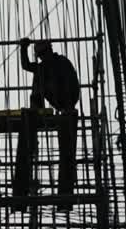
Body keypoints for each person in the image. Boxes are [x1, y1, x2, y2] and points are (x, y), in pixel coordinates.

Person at [14, 38, 80, 207]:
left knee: (40, 78)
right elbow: (27, 66)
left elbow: (71, 84)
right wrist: (23, 48)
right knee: (38, 76)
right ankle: (37, 108)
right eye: (40, 55)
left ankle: (38, 108)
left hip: (67, 98)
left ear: (49, 51)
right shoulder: (43, 67)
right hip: (58, 98)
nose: (42, 57)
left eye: (43, 53)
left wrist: (66, 105)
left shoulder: (61, 62)